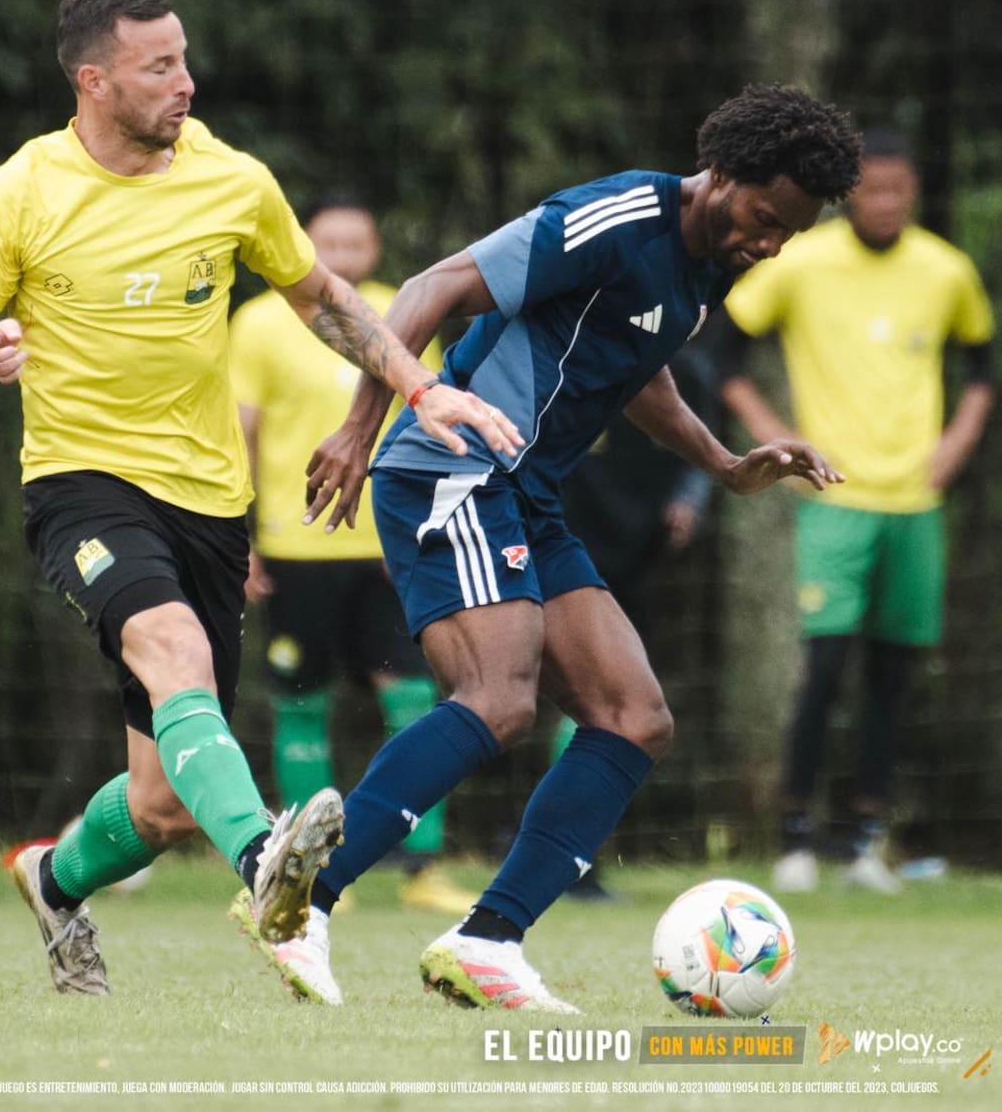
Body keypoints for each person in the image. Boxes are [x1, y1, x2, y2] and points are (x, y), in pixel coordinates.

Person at [0, 0, 520, 995]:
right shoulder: (17, 193)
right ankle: (264, 866)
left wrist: (419, 387)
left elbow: (323, 300)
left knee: (158, 806)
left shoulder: (233, 181)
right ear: (93, 81)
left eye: (185, 58)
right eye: (159, 67)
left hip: (208, 504)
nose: (186, 82)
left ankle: (55, 881)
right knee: (175, 650)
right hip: (81, 483)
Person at [234, 82, 862, 1010]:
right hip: (455, 463)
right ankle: (298, 901)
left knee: (633, 716)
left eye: (789, 236)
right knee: (499, 697)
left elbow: (637, 368)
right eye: (766, 220)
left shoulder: (710, 263)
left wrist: (726, 466)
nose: (769, 245)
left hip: (526, 491)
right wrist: (362, 427)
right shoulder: (618, 216)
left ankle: (486, 941)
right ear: (723, 174)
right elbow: (430, 287)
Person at [719, 128, 994, 894]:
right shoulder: (802, 262)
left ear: (913, 192)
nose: (886, 202)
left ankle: (866, 841)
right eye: (872, 190)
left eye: (899, 190)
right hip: (834, 497)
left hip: (916, 500)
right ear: (850, 195)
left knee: (893, 675)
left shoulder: (946, 270)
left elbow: (982, 367)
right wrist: (775, 439)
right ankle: (796, 840)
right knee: (826, 665)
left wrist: (958, 442)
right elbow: (720, 356)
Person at [230, 195, 474, 916]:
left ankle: (421, 864)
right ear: (303, 244)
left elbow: (430, 425)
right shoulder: (259, 321)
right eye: (326, 241)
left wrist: (426, 527)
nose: (341, 253)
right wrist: (241, 535)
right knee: (303, 700)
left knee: (415, 700)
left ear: (374, 248)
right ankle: (304, 869)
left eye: (355, 241)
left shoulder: (400, 313)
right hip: (295, 544)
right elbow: (240, 432)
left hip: (387, 547)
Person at [552, 338, 721, 900]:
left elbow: (703, 445)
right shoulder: (569, 361)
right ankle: (560, 855)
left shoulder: (686, 372)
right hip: (557, 554)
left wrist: (690, 502)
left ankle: (573, 857)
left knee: (614, 709)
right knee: (548, 704)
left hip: (634, 561)